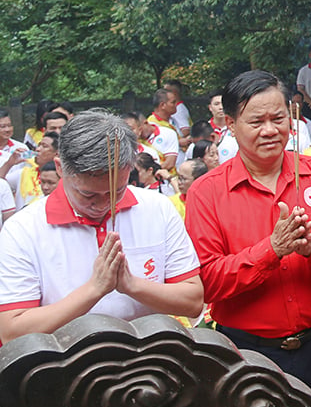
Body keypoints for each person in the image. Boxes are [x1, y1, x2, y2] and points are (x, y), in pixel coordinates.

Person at [185, 70, 311, 407]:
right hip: (246, 353)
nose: (270, 130)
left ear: (292, 118)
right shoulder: (207, 194)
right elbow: (208, 281)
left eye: (278, 118)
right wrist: (271, 250)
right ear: (231, 125)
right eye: (256, 121)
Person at [0, 109, 204, 343]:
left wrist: (132, 285)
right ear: (59, 167)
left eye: (116, 191)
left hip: (148, 366)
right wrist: (95, 289)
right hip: (62, 369)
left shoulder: (157, 208)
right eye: (88, 194)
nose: (103, 204)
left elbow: (193, 301)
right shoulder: (23, 229)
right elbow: (11, 330)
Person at [7, 131, 58, 209]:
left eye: (44, 146)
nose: (37, 149)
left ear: (57, 154)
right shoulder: (24, 173)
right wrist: (9, 163)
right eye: (38, 145)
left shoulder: (65, 176)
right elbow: (2, 185)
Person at [163, 79, 193, 146]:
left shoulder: (178, 110)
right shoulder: (179, 107)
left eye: (166, 91)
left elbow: (185, 131)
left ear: (174, 93)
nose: (164, 94)